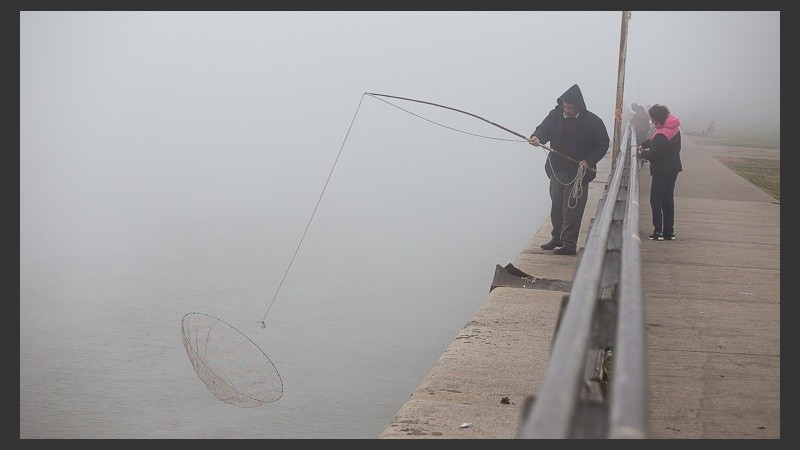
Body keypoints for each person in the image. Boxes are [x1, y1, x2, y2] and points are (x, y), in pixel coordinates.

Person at [527, 84, 610, 255]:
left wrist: (589, 161)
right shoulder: (556, 114)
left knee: (572, 208)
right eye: (565, 106)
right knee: (556, 205)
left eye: (570, 108)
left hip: (579, 173)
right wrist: (537, 137)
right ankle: (556, 237)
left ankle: (569, 244)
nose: (567, 110)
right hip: (557, 169)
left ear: (578, 106)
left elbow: (603, 143)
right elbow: (544, 129)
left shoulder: (593, 121)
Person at [637, 104, 682, 241]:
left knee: (656, 200)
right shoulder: (673, 128)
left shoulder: (662, 133)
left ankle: (658, 231)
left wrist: (641, 153)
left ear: (658, 119)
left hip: (662, 170)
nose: (652, 122)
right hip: (673, 168)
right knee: (667, 200)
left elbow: (654, 153)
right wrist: (644, 144)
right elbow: (654, 141)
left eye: (653, 119)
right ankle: (669, 231)